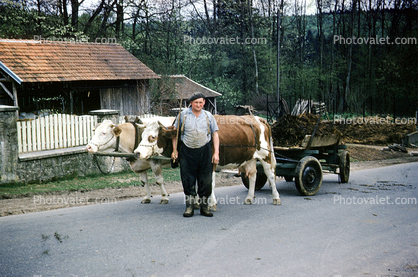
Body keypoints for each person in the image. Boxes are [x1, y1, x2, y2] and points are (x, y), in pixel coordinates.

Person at [172, 93, 220, 217]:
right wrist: (174, 150)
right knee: (188, 179)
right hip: (187, 151)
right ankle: (189, 207)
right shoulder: (182, 115)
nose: (198, 105)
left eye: (200, 102)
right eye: (195, 102)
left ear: (204, 103)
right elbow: (174, 134)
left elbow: (215, 134)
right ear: (191, 103)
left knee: (206, 180)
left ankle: (204, 207)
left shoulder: (208, 116)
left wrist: (216, 153)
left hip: (204, 151)